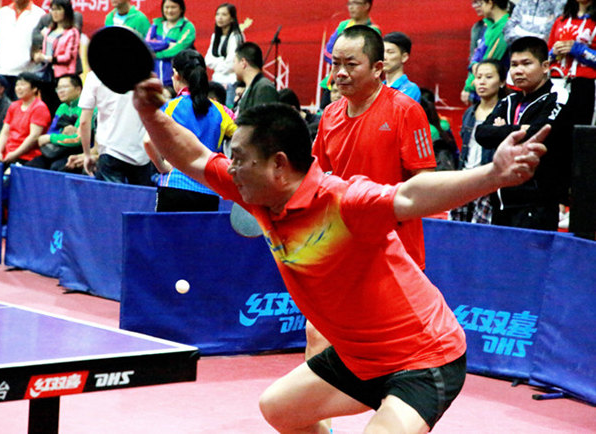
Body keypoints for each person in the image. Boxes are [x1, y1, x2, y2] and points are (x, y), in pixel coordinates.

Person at [134, 75, 548, 432]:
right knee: (279, 408)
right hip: (358, 358)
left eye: (239, 159)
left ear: (278, 165)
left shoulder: (344, 201)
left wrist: (493, 174)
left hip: (422, 358)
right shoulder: (257, 192)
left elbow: (410, 195)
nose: (231, 168)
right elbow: (193, 155)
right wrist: (149, 113)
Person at [309, 27, 438, 402]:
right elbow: (318, 177)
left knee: (394, 355)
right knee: (317, 333)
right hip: (342, 249)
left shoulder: (405, 110)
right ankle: (316, 422)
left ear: (378, 68)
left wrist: (384, 211)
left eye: (351, 64)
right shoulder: (330, 115)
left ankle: (396, 417)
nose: (340, 73)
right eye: (336, 63)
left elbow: (424, 183)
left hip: (394, 252)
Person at [476, 36, 569, 230]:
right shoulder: (508, 101)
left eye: (526, 64)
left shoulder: (557, 96)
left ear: (545, 66)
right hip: (501, 201)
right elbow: (482, 134)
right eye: (514, 65)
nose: (518, 70)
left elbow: (539, 134)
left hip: (536, 203)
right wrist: (521, 129)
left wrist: (502, 130)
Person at [151, 49, 236, 211]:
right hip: (209, 190)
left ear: (176, 75)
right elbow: (243, 137)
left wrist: (162, 167)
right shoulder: (222, 112)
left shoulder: (169, 108)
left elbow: (148, 141)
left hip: (174, 187)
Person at [450, 59, 507, 223]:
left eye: (489, 77)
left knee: (481, 228)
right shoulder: (469, 112)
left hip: (488, 180)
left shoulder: (504, 112)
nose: (482, 82)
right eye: (478, 77)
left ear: (502, 82)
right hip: (465, 177)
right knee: (456, 226)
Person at [79, 71, 151, 185]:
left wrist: (87, 154)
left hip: (110, 151)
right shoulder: (143, 72)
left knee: (111, 197)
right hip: (142, 154)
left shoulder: (95, 75)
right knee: (141, 196)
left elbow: (84, 121)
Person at [319, 0, 380, 108]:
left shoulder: (373, 31)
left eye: (355, 3)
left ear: (366, 5)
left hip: (357, 83)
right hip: (334, 82)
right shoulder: (343, 25)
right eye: (349, 3)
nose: (351, 7)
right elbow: (328, 51)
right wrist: (341, 62)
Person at [548, 0, 596, 126]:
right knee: (552, 127)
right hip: (556, 80)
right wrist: (554, 52)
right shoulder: (561, 20)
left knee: (579, 131)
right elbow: (546, 57)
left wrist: (578, 50)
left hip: (585, 84)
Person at [0, 0, 45, 100]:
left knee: (24, 106)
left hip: (26, 72)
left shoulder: (39, 14)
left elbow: (44, 42)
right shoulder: (3, 12)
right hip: (1, 71)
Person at [32, 0, 80, 115]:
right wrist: (38, 56)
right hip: (47, 75)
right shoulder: (49, 30)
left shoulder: (72, 32)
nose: (55, 13)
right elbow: (45, 51)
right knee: (47, 106)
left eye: (58, 9)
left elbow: (69, 57)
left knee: (60, 107)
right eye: (53, 9)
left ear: (66, 11)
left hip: (63, 76)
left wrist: (47, 58)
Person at [26, 74, 82, 171]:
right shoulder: (62, 107)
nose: (60, 91)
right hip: (58, 150)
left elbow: (77, 139)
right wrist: (60, 134)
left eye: (65, 87)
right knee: (31, 166)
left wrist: (51, 138)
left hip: (78, 151)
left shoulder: (86, 109)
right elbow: (51, 131)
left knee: (57, 167)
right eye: (58, 88)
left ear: (78, 89)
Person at [0, 72, 51, 165]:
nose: (18, 88)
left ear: (34, 88)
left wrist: (14, 154)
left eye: (23, 85)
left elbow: (34, 136)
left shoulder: (39, 107)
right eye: (17, 85)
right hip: (8, 154)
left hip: (28, 156)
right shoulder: (13, 105)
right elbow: (5, 131)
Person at [461, 0, 510, 105]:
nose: (479, 7)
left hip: (495, 94)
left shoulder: (506, 27)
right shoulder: (489, 26)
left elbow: (489, 62)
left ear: (490, 3)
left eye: (481, 3)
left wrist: (470, 86)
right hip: (477, 89)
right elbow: (476, 57)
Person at [146, 0, 196, 87]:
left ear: (181, 9)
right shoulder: (156, 25)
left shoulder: (187, 27)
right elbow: (148, 45)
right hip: (154, 81)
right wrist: (167, 45)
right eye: (167, 7)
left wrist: (156, 54)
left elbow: (178, 49)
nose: (169, 11)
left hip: (177, 82)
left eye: (173, 7)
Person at [205, 3, 244, 108]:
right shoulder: (215, 36)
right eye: (218, 14)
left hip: (230, 83)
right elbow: (208, 60)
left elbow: (231, 64)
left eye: (224, 14)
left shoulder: (236, 37)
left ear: (232, 18)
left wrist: (217, 63)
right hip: (216, 81)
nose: (220, 17)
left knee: (228, 112)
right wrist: (222, 60)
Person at [233, 42, 278, 115]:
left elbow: (265, 120)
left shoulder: (264, 88)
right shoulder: (249, 88)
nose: (233, 67)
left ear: (243, 63)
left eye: (234, 62)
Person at [382, 31, 421, 102]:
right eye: (382, 52)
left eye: (390, 52)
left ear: (404, 57)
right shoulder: (378, 87)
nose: (384, 57)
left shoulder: (410, 89)